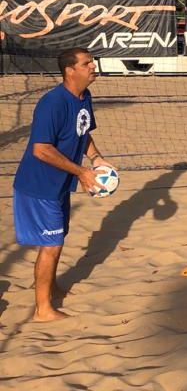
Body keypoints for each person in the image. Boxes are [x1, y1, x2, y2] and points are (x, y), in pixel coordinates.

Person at [12, 48, 113, 322]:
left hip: (60, 183)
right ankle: (43, 310)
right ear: (70, 70)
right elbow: (41, 150)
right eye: (86, 63)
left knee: (58, 238)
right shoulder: (52, 103)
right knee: (52, 244)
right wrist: (81, 172)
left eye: (92, 62)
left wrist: (96, 158)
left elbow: (83, 132)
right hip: (39, 186)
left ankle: (50, 287)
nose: (93, 66)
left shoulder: (84, 96)